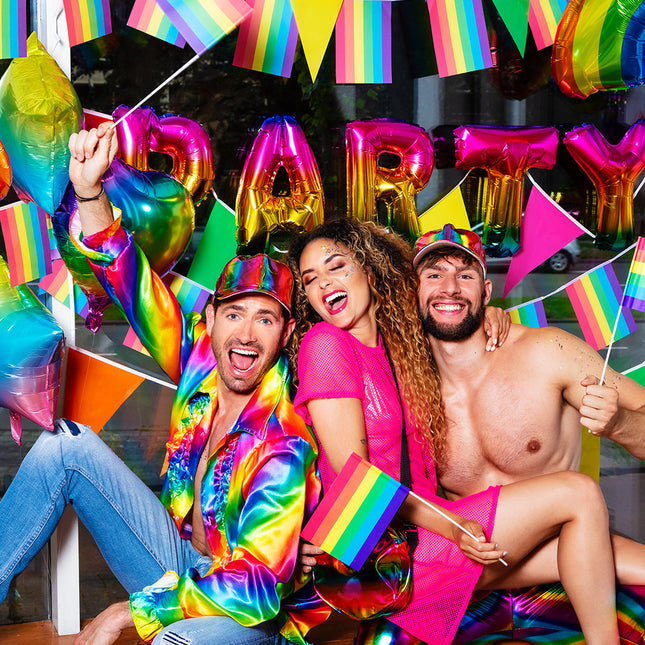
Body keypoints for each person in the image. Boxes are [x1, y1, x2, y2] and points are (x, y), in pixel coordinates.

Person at [0, 122, 323, 645]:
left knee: (183, 642)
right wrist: (89, 191)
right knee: (63, 447)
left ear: (286, 332)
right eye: (235, 314)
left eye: (266, 319)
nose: (246, 334)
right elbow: (130, 277)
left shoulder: (285, 442)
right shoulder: (199, 358)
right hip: (179, 567)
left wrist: (121, 614)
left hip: (248, 616)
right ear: (211, 318)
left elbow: (258, 590)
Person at [287, 217, 633, 645]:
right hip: (377, 549)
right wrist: (453, 526)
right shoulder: (324, 343)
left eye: (336, 266)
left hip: (419, 535)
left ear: (371, 268)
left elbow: (449, 321)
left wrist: (491, 314)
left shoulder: (397, 346)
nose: (324, 283)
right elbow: (358, 483)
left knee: (604, 556)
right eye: (310, 278)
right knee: (577, 493)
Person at [411, 223, 645, 642]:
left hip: (569, 549)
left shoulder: (547, 351)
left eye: (464, 276)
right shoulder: (406, 381)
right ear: (413, 292)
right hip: (473, 569)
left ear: (485, 292)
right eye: (433, 275)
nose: (449, 288)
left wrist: (621, 423)